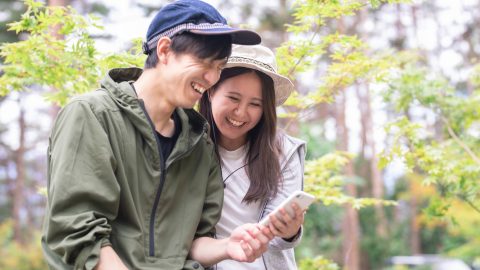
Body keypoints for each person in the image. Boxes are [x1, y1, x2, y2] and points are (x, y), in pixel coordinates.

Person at [41, 1, 273, 269]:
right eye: (204, 62)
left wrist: (227, 246)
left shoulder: (199, 142)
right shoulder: (92, 116)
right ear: (164, 50)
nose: (212, 77)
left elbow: (196, 241)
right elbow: (78, 232)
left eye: (219, 67)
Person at [198, 44, 307, 270]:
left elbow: (277, 240)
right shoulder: (186, 147)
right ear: (210, 92)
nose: (241, 112)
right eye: (233, 98)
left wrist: (289, 231)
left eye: (255, 104)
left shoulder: (283, 153)